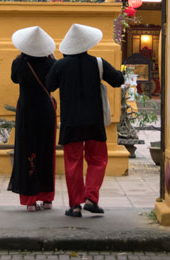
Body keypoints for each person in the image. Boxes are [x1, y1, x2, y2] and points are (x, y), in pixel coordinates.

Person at [45, 23, 124, 218]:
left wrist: (54, 65)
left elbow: (49, 85)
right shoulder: (98, 63)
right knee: (97, 161)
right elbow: (117, 80)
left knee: (73, 163)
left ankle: (74, 206)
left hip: (71, 123)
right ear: (87, 44)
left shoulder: (60, 65)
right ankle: (91, 199)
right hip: (94, 122)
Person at [8, 26, 58, 212]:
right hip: (45, 110)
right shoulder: (51, 63)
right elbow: (55, 84)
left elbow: (14, 79)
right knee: (46, 152)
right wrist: (53, 59)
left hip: (26, 110)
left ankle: (29, 200)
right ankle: (46, 199)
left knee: (26, 150)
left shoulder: (19, 63)